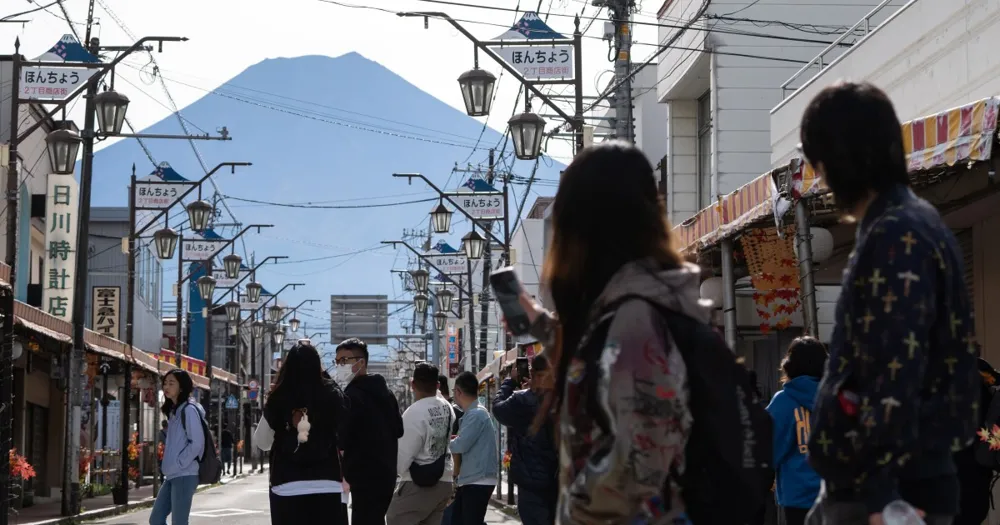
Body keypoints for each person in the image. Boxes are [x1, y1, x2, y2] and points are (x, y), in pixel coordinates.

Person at [799, 82, 980, 525]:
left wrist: (882, 500)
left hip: (883, 494)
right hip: (894, 484)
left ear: (839, 159)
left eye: (818, 163)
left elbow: (893, 368)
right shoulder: (915, 221)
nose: (819, 177)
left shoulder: (896, 233)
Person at [511, 141, 706, 523]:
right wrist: (541, 324)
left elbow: (641, 460)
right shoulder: (641, 300)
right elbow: (602, 359)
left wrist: (575, 508)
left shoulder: (636, 316)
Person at [254, 342, 349, 524]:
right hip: (328, 482)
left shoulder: (278, 398)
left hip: (286, 484)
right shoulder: (333, 395)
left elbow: (262, 442)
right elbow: (345, 434)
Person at [335, 337, 404, 525]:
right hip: (386, 474)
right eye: (337, 361)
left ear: (361, 362)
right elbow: (399, 429)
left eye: (344, 361)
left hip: (362, 477)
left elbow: (342, 438)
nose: (340, 366)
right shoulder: (387, 393)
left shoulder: (351, 396)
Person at [766, 336, 827, 525]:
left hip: (798, 497)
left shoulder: (783, 401)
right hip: (836, 493)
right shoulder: (835, 396)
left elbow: (768, 448)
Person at [386, 363, 456, 525]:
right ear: (437, 385)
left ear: (412, 384)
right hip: (445, 480)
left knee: (395, 518)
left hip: (419, 485)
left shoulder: (414, 412)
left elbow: (401, 460)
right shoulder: (447, 408)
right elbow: (438, 395)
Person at [492, 354, 558, 525]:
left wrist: (508, 381)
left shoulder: (522, 399)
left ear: (532, 372)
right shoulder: (564, 398)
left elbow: (498, 409)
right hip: (559, 479)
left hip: (530, 482)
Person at [150, 369, 205, 525]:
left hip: (184, 474)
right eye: (165, 383)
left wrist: (180, 462)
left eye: (171, 383)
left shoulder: (189, 410)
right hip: (173, 474)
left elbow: (197, 443)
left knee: (179, 522)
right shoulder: (175, 412)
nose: (166, 386)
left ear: (182, 387)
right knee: (156, 519)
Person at [448, 371, 498, 525]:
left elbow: (461, 445)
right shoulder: (474, 413)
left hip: (478, 479)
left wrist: (443, 443)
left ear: (458, 391)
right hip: (474, 478)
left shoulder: (476, 414)